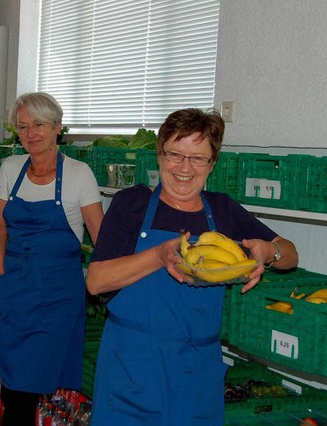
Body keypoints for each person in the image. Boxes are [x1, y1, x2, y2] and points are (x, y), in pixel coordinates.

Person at [86, 108, 299, 425]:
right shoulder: (132, 204)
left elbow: (292, 254)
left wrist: (270, 251)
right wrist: (159, 256)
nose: (184, 167)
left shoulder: (223, 211)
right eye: (175, 154)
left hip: (197, 370)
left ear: (212, 163)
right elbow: (96, 281)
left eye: (197, 158)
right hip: (132, 366)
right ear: (160, 156)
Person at [0, 92, 104, 425]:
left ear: (57, 128)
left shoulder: (80, 175)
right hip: (14, 293)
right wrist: (1, 277)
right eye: (23, 127)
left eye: (38, 124)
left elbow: (101, 238)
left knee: (24, 388)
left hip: (56, 298)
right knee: (12, 385)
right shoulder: (10, 168)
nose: (30, 133)